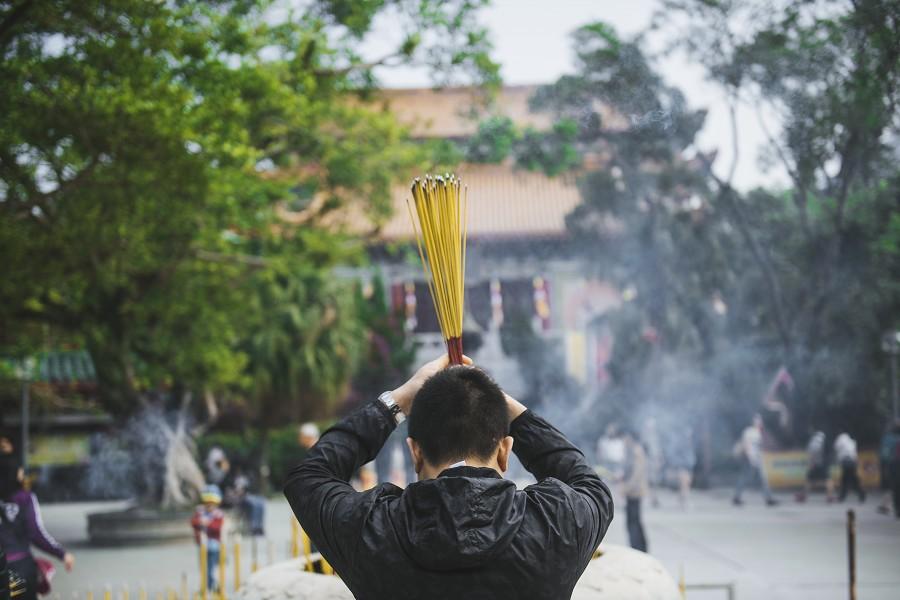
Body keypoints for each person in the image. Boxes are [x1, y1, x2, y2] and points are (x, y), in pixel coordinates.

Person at [284, 355, 613, 600]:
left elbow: (309, 477)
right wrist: (507, 408)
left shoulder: (372, 529)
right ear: (504, 451)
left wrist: (395, 402)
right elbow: (590, 486)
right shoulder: (557, 523)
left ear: (415, 453)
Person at [0, 458, 74, 600]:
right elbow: (35, 533)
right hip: (20, 567)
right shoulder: (25, 498)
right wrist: (61, 554)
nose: (23, 475)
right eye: (21, 472)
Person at [733, 414, 777, 507]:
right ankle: (737, 497)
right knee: (745, 478)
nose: (760, 422)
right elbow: (746, 444)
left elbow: (759, 447)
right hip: (750, 459)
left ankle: (768, 499)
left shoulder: (758, 432)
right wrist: (751, 457)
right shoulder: (749, 431)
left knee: (762, 479)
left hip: (757, 458)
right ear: (753, 421)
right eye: (758, 420)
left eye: (760, 420)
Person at [191, 485, 225, 592]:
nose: (209, 506)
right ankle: (207, 586)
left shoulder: (218, 514)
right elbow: (193, 522)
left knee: (211, 568)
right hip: (202, 545)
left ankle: (211, 586)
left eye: (211, 504)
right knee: (203, 567)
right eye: (207, 503)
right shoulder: (200, 512)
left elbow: (217, 528)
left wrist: (208, 524)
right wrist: (200, 522)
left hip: (214, 546)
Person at [620, 428, 649, 552]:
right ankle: (640, 548)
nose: (624, 440)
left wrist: (627, 487)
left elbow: (637, 473)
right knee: (634, 521)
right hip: (632, 491)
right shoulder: (632, 450)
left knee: (633, 522)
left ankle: (637, 549)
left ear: (630, 438)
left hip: (635, 492)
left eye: (625, 437)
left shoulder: (637, 451)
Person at [797, 430, 834, 503]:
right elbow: (828, 453)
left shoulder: (812, 442)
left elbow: (810, 454)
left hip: (814, 464)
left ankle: (804, 495)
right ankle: (829, 496)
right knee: (828, 480)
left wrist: (811, 464)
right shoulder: (824, 442)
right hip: (823, 464)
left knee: (809, 480)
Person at [877, 420, 900, 518]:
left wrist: (884, 467)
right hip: (893, 464)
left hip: (893, 465)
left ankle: (897, 510)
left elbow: (884, 454)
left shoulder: (887, 439)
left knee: (895, 488)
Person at [834, 432, 865, 503]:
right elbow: (854, 453)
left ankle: (842, 497)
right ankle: (861, 494)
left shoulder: (840, 439)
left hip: (846, 462)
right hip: (853, 462)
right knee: (854, 479)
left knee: (845, 480)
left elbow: (836, 448)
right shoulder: (851, 441)